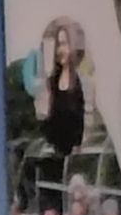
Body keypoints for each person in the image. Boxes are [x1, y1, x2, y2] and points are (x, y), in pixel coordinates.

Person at [35, 19, 88, 161]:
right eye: (57, 45)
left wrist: (79, 146)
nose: (60, 50)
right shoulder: (52, 82)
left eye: (63, 44)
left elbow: (84, 120)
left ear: (71, 46)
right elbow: (48, 122)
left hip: (76, 157)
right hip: (55, 156)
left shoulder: (80, 81)